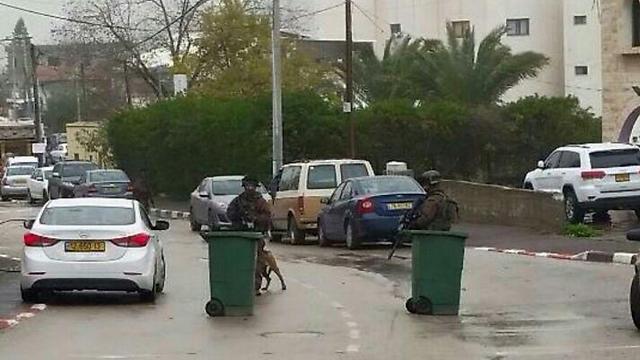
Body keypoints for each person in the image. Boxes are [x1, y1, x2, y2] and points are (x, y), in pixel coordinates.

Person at [226, 176, 272, 295]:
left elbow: (267, 216)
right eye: (247, 186)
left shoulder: (260, 201)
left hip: (256, 235)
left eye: (252, 186)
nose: (250, 189)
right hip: (241, 235)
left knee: (257, 263)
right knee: (240, 262)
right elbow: (230, 213)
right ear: (244, 187)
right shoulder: (238, 201)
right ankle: (241, 285)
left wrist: (255, 219)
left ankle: (255, 287)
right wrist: (240, 219)